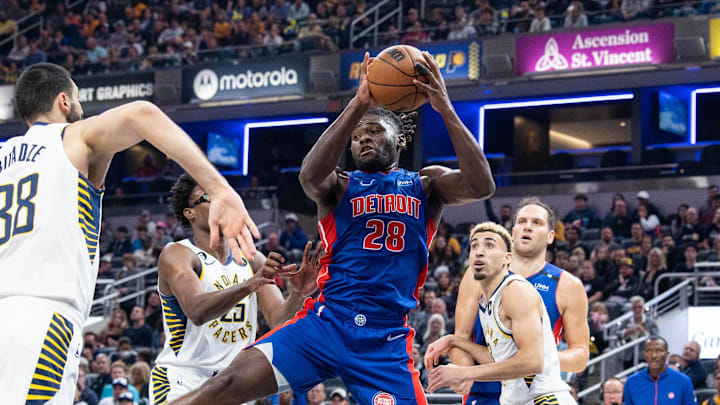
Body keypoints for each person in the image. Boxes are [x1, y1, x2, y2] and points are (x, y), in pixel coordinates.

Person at [171, 52, 494, 404]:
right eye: (356, 136)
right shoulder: (339, 186)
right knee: (226, 384)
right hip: (327, 323)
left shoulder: (426, 184)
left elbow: (481, 186)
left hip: (383, 337)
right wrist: (357, 105)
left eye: (373, 131)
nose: (363, 139)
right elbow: (308, 177)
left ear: (401, 140)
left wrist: (445, 108)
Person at [0, 63, 259, 403]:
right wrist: (219, 188)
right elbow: (141, 114)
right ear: (64, 101)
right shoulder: (70, 138)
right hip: (45, 317)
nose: (81, 110)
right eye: (77, 101)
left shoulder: (4, 156)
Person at [149, 174, 321, 403]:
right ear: (189, 213)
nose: (221, 202)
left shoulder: (252, 259)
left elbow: (280, 321)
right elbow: (196, 310)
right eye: (208, 197)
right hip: (183, 380)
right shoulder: (178, 254)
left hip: (234, 385)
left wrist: (297, 294)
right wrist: (249, 284)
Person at [449, 197, 590, 398]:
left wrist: (533, 360)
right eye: (522, 222)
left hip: (535, 394)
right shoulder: (476, 275)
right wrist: (464, 371)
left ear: (551, 236)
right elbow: (460, 339)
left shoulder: (568, 285)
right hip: (484, 393)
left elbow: (581, 356)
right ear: (512, 231)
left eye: (537, 223)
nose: (528, 227)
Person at [423, 223, 575, 404]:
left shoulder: (515, 291)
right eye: (474, 246)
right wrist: (453, 340)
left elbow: (533, 361)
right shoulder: (488, 303)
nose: (479, 251)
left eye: (489, 245)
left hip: (544, 399)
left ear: (507, 258)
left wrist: (464, 372)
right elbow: (500, 359)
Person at [623, 336, 697, 405]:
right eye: (649, 351)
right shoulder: (631, 382)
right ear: (644, 354)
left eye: (659, 351)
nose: (654, 356)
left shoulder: (683, 381)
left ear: (667, 354)